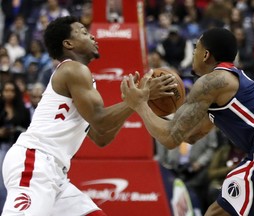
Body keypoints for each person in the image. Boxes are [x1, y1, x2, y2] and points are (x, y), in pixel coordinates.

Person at [1, 16, 177, 216]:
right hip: (35, 161)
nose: (93, 36)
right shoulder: (73, 69)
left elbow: (102, 137)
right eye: (84, 32)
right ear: (68, 44)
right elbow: (101, 121)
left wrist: (135, 102)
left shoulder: (83, 81)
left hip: (55, 173)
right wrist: (137, 99)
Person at [121, 27, 254, 216]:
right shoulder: (228, 83)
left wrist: (140, 104)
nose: (193, 55)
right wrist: (163, 114)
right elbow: (193, 135)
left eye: (195, 50)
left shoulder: (212, 81)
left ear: (206, 55)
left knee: (218, 213)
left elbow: (170, 138)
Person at [0, 80, 31, 215]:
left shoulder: (23, 110)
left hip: (17, 148)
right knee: (1, 184)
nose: (9, 94)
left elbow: (29, 129)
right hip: (1, 146)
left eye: (12, 90)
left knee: (15, 182)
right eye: (6, 90)